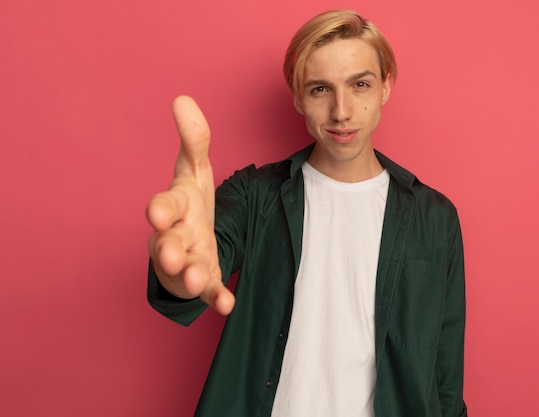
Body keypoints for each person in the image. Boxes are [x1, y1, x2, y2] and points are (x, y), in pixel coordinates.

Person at [146, 9, 468, 417]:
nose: (342, 111)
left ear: (385, 87)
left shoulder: (435, 218)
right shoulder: (253, 195)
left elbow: (445, 374)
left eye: (360, 85)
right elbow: (196, 264)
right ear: (298, 96)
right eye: (320, 89)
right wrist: (179, 266)